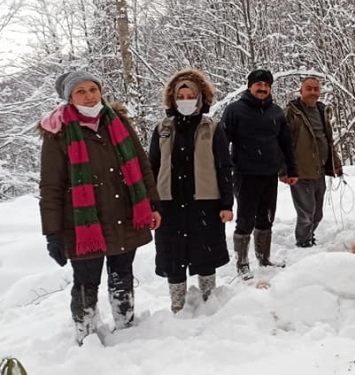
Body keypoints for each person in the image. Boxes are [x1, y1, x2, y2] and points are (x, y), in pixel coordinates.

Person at [38, 70, 162, 344]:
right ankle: (85, 334)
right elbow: (51, 187)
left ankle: (126, 325)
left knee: (122, 275)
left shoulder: (118, 123)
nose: (89, 95)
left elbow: (141, 166)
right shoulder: (58, 134)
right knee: (86, 281)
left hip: (123, 215)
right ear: (69, 98)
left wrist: (152, 204)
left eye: (93, 89)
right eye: (81, 91)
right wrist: (53, 233)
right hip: (82, 224)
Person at [149, 69, 233, 312]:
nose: (185, 100)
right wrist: (151, 204)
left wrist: (227, 204)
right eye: (180, 96)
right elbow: (152, 167)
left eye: (190, 96)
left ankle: (209, 302)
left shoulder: (213, 127)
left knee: (205, 253)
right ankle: (178, 305)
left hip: (205, 202)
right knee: (172, 256)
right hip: (169, 203)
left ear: (200, 98)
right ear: (173, 99)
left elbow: (224, 167)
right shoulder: (162, 128)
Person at [221, 69, 298, 279]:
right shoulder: (234, 110)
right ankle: (242, 263)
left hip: (269, 174)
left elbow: (286, 144)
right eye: (258, 85)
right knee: (245, 220)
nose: (263, 88)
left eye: (266, 85)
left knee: (266, 219)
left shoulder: (276, 112)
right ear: (250, 86)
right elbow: (221, 143)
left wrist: (291, 169)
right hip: (245, 174)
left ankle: (263, 259)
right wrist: (224, 169)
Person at [284, 77, 343, 248]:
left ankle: (309, 236)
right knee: (306, 212)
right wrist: (285, 170)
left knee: (317, 213)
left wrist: (335, 163)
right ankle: (303, 243)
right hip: (300, 172)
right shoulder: (291, 113)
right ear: (300, 91)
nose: (313, 92)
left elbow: (328, 140)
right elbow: (282, 143)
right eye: (308, 89)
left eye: (316, 89)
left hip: (319, 170)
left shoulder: (321, 111)